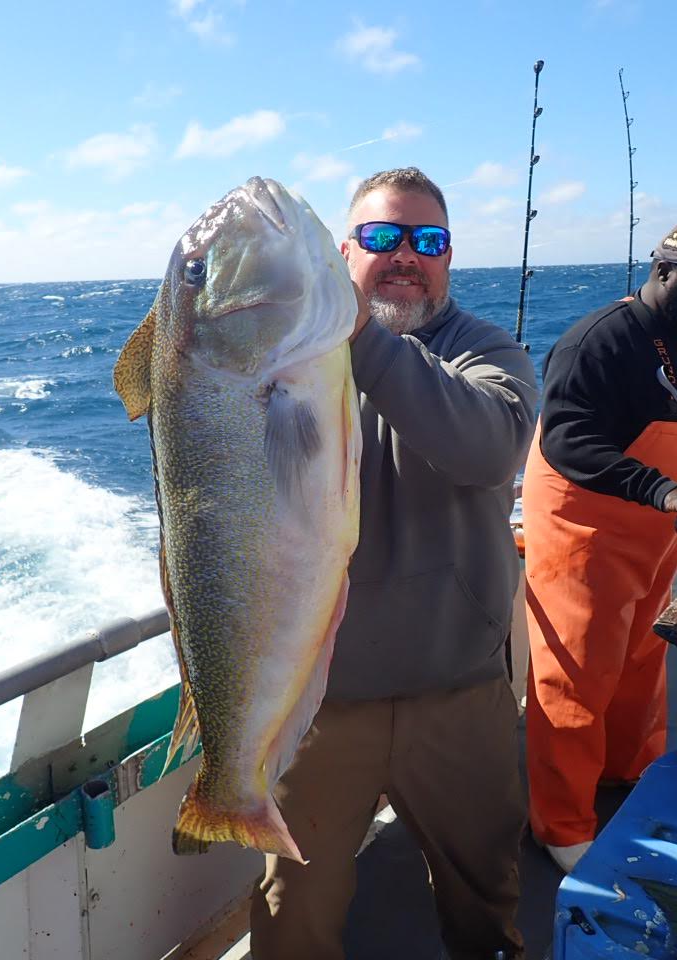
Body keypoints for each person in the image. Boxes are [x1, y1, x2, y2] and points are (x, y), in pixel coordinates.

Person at [249, 167, 538, 960]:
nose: (406, 255)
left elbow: (485, 448)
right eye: (382, 238)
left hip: (459, 696)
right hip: (322, 702)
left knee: (486, 893)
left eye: (428, 240)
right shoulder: (284, 360)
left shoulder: (488, 351)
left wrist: (362, 339)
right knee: (292, 912)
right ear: (342, 253)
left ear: (449, 258)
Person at [522, 217, 677, 873]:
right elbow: (568, 439)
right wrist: (664, 490)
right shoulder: (597, 344)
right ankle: (562, 825)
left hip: (656, 534)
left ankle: (628, 771)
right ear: (661, 273)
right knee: (576, 674)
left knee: (640, 657)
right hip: (586, 530)